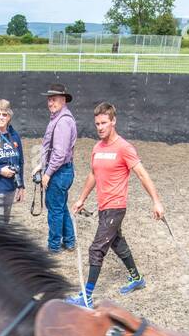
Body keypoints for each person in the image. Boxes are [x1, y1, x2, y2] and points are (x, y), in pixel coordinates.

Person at [65, 101, 166, 308]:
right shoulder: (97, 148)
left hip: (116, 206)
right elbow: (93, 174)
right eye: (97, 124)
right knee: (117, 243)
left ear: (113, 121)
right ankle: (136, 278)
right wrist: (81, 199)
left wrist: (156, 201)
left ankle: (87, 297)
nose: (100, 127)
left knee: (96, 249)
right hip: (103, 207)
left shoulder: (124, 148)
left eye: (104, 123)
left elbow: (142, 174)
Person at [39, 83, 78, 253]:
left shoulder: (62, 122)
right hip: (64, 170)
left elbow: (59, 153)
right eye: (49, 99)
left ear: (63, 100)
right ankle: (69, 241)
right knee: (60, 207)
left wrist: (47, 173)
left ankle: (54, 246)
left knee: (54, 209)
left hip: (59, 171)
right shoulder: (62, 118)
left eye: (54, 99)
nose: (50, 102)